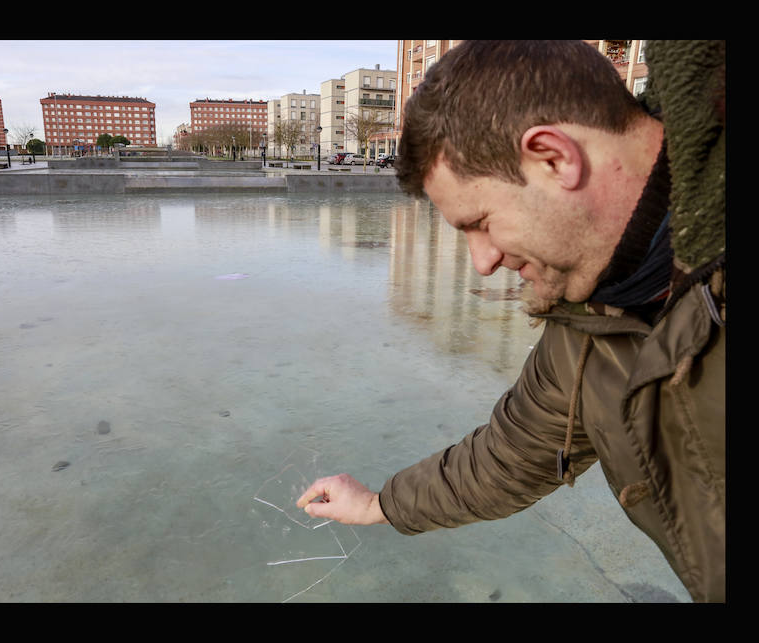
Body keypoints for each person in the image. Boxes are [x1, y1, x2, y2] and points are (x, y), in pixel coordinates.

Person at [296, 40, 725, 602]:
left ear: (553, 157)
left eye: (481, 222)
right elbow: (514, 451)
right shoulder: (585, 320)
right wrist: (381, 504)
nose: (483, 261)